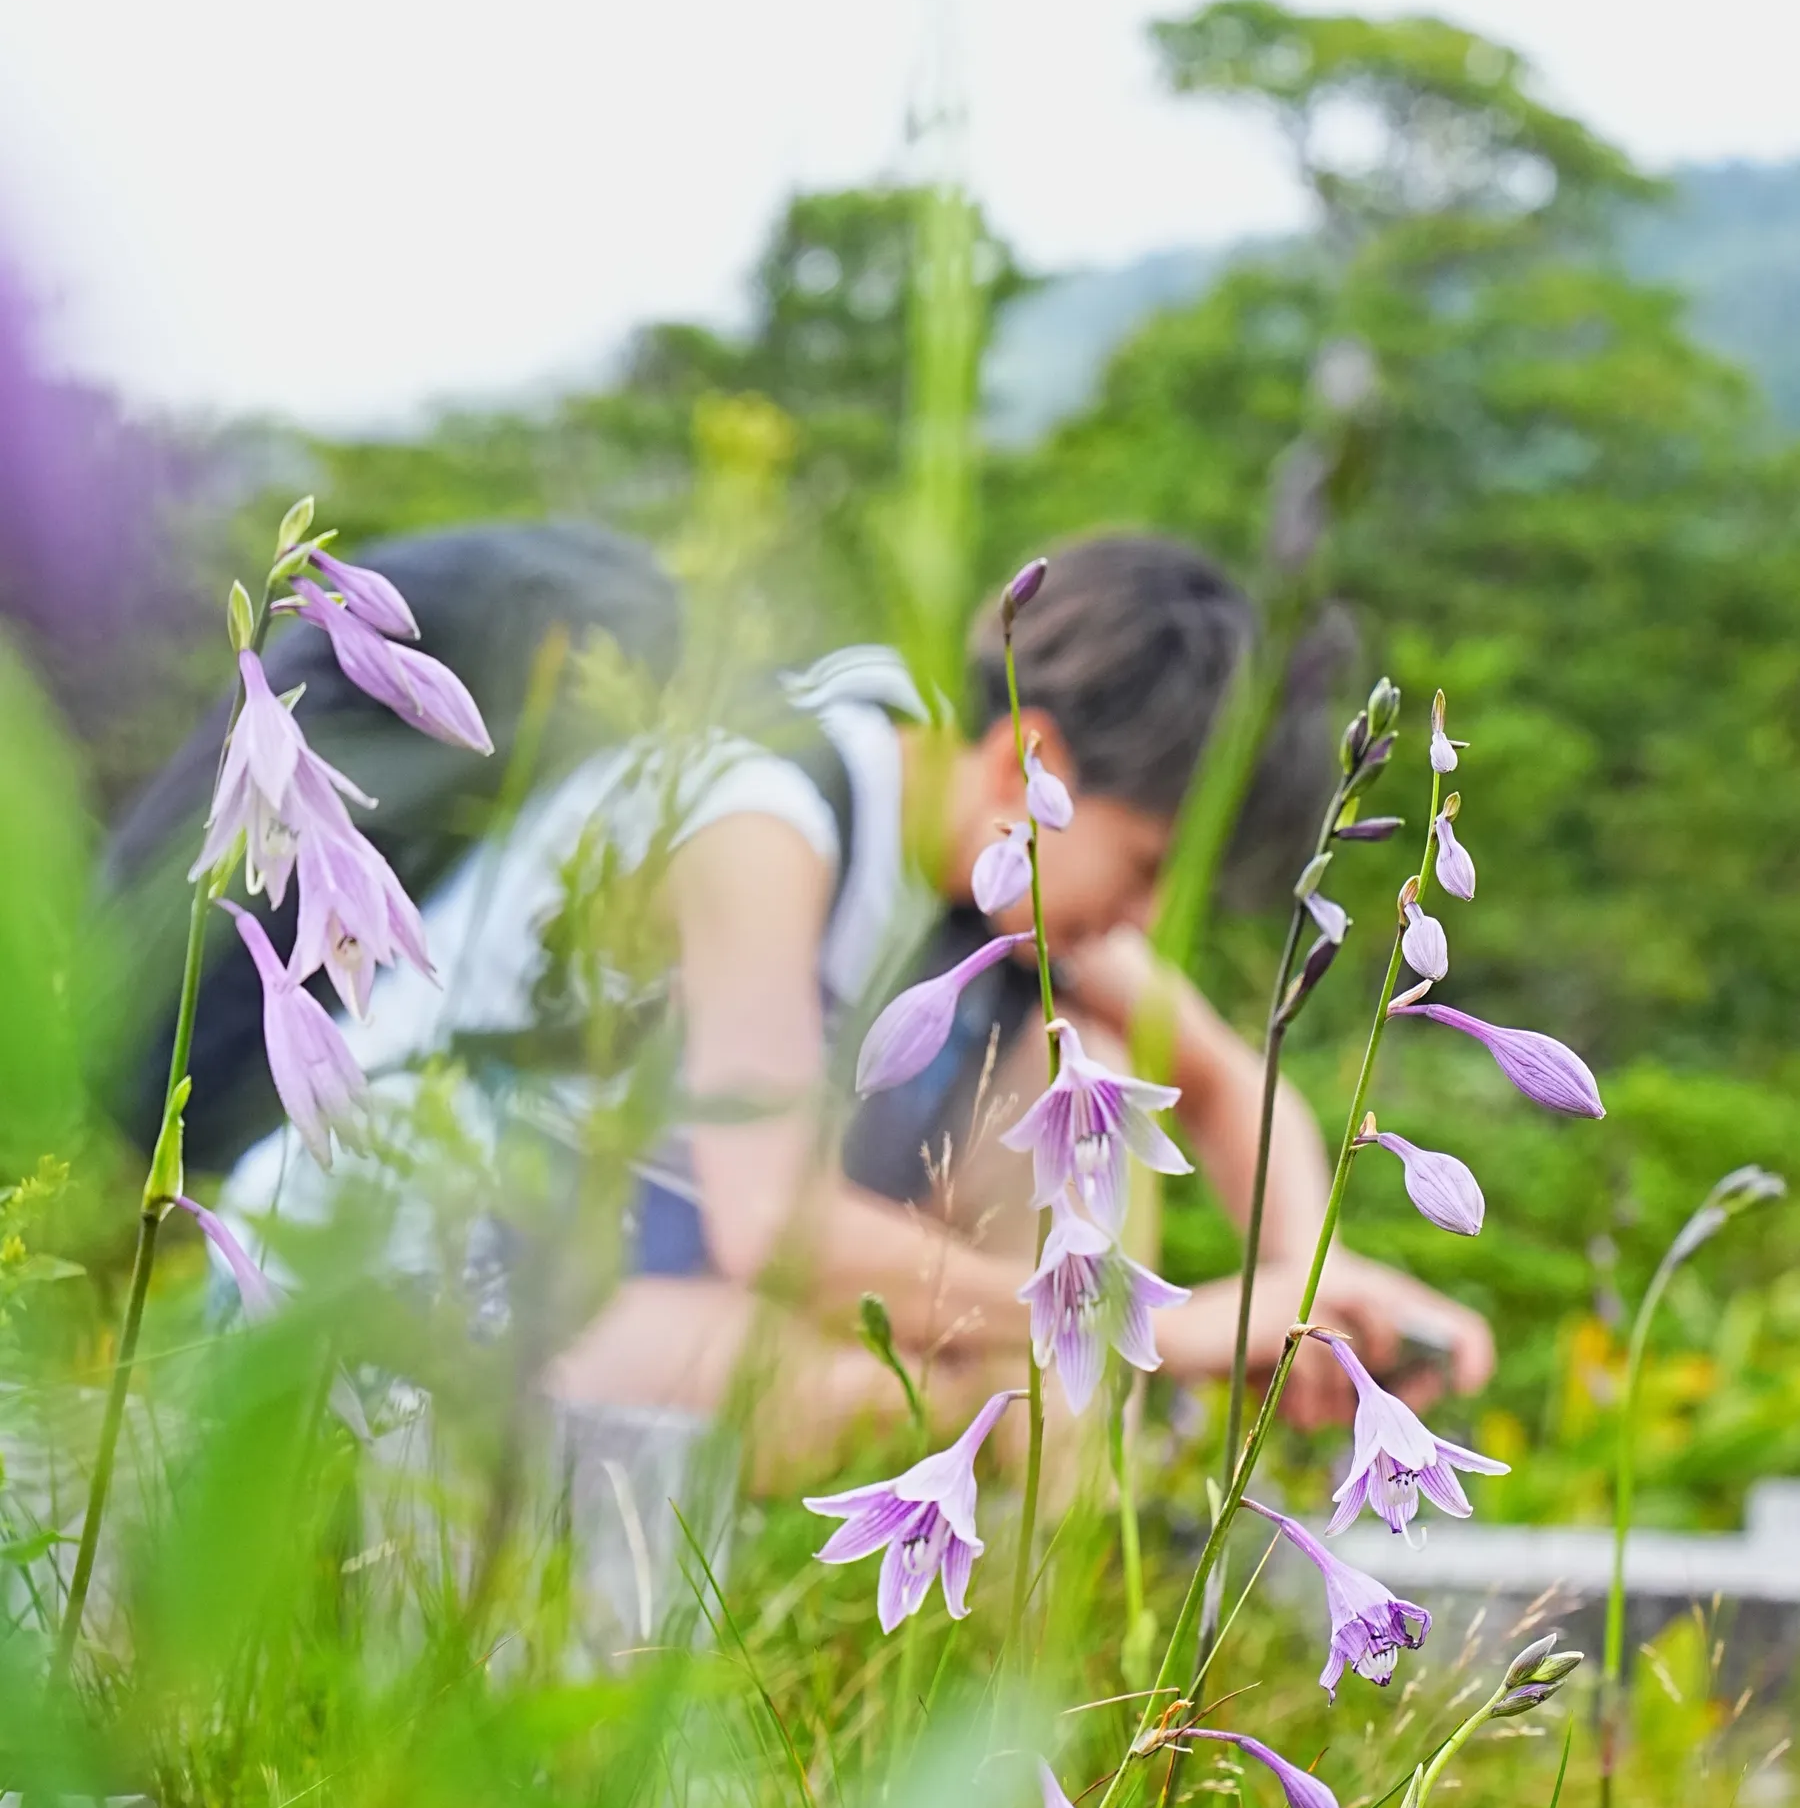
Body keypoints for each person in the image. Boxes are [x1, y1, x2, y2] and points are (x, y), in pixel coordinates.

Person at [109, 522, 1491, 1491]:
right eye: (1138, 876)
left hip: (583, 1260)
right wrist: (1158, 1322)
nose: (1133, 928)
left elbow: (1235, 1083)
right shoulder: (764, 819)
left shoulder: (958, 851)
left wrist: (1315, 1293)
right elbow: (771, 1228)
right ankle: (1023, 1591)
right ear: (1033, 762)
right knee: (912, 1386)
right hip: (378, 1284)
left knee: (1081, 1070)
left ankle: (1043, 1576)